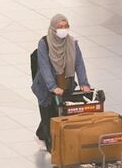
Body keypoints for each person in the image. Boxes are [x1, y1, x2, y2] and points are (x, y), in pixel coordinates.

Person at [31, 14, 90, 151]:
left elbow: (79, 63)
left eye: (66, 26)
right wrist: (52, 87)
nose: (63, 29)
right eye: (60, 27)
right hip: (46, 86)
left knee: (60, 112)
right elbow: (44, 67)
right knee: (48, 115)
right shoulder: (44, 43)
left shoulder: (72, 43)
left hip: (65, 84)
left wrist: (84, 83)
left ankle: (41, 135)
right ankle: (50, 145)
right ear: (53, 28)